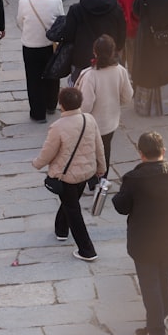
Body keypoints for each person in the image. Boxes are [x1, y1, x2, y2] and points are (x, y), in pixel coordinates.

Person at [112, 131, 168, 335]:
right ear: (163, 151)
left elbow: (122, 207)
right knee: (166, 273)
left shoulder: (133, 180)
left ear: (141, 154)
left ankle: (156, 331)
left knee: (149, 283)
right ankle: (165, 309)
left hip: (143, 242)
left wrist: (115, 195)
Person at [31, 87, 105, 261]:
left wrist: (37, 163)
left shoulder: (57, 127)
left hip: (67, 176)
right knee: (70, 202)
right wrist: (101, 167)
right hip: (86, 171)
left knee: (73, 210)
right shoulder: (89, 119)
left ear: (61, 104)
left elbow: (48, 152)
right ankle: (61, 230)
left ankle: (87, 250)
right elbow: (98, 145)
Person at [75, 35, 134, 188]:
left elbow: (86, 104)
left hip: (92, 122)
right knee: (105, 149)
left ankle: (92, 180)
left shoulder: (90, 75)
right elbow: (127, 96)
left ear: (95, 52)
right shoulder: (120, 71)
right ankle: (103, 179)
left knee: (90, 151)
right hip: (110, 121)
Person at [60, 0, 127, 82]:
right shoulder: (116, 8)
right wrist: (117, 49)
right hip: (109, 56)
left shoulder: (76, 9)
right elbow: (122, 33)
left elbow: (68, 35)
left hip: (83, 60)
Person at [16, 0, 64, 123]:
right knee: (52, 75)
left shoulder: (24, 1)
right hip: (50, 45)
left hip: (30, 45)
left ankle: (38, 113)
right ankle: (51, 104)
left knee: (34, 79)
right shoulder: (56, 0)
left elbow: (19, 22)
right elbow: (60, 21)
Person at [112, 0, 149, 69]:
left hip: (119, 27)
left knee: (120, 55)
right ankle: (133, 79)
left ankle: (120, 76)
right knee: (132, 55)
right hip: (131, 28)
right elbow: (136, 12)